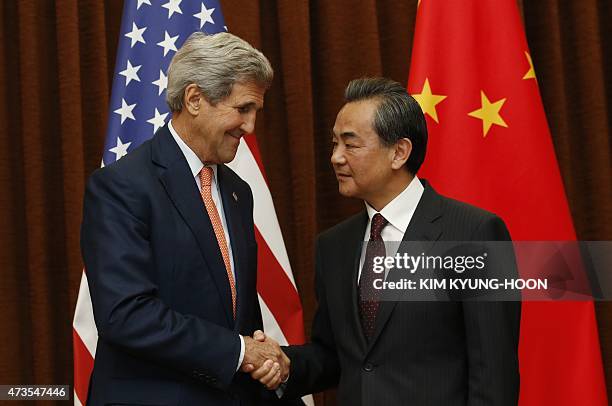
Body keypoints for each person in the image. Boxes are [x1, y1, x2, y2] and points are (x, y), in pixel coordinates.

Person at [249, 77, 521, 405]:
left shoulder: (474, 234)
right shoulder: (333, 246)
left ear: (399, 152)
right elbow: (335, 356)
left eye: (350, 144)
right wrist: (286, 364)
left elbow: (494, 373)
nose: (336, 157)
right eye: (334, 143)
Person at [81, 32, 289, 405]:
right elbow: (125, 314)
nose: (251, 126)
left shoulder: (238, 191)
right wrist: (239, 352)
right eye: (242, 108)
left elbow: (238, 313)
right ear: (194, 99)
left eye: (255, 111)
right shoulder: (121, 187)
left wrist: (258, 354)